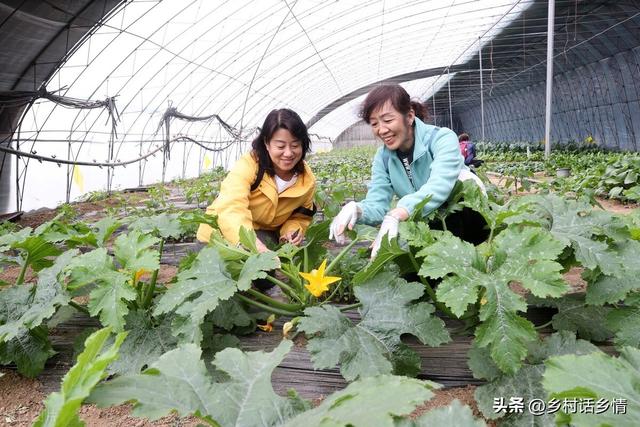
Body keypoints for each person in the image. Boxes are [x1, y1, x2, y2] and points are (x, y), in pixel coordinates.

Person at [328, 84, 487, 258]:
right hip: (426, 219)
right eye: (374, 124)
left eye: (388, 120)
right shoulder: (383, 158)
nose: (381, 130)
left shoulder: (441, 138)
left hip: (463, 213)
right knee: (417, 275)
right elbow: (378, 204)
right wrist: (358, 209)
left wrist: (397, 213)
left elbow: (440, 185)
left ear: (409, 116)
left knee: (466, 261)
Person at [197, 108, 316, 252]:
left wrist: (291, 231)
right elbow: (232, 207)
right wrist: (254, 245)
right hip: (219, 234)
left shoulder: (306, 181)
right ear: (267, 143)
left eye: (295, 145)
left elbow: (300, 217)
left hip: (262, 234)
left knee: (265, 265)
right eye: (280, 146)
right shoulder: (250, 165)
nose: (288, 153)